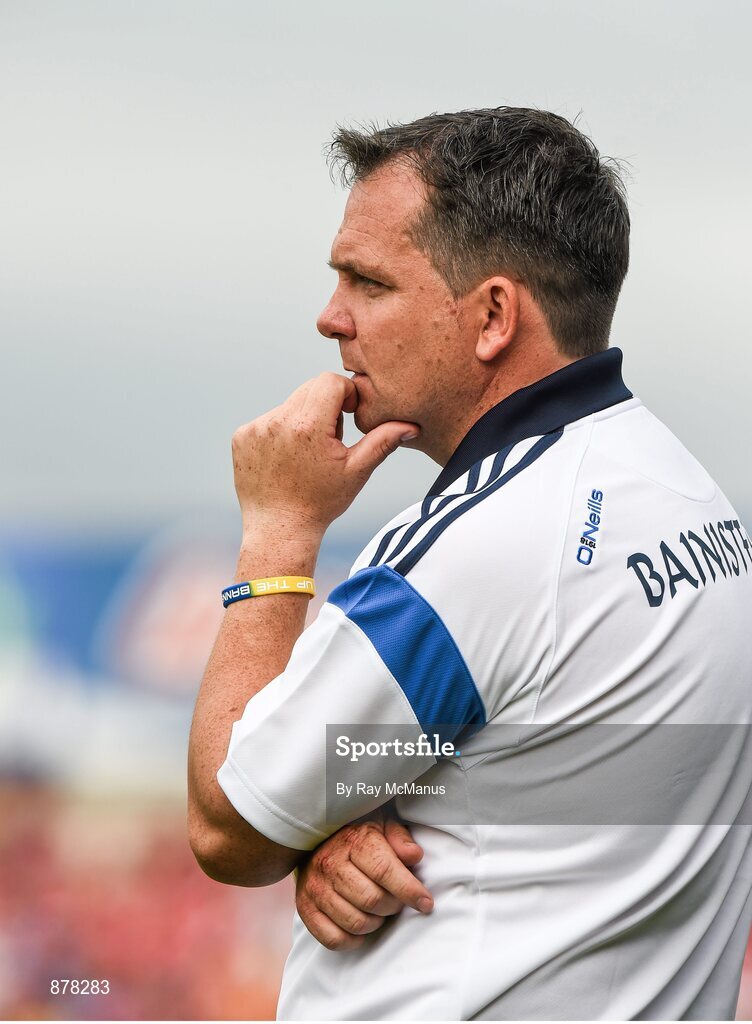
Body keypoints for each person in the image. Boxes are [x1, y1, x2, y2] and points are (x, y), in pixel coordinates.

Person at [187, 107, 752, 1020]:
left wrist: (280, 531)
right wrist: (336, 823)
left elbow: (230, 823)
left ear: (492, 315)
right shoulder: (691, 499)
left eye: (367, 282)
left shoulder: (479, 543)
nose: (331, 318)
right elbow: (572, 770)